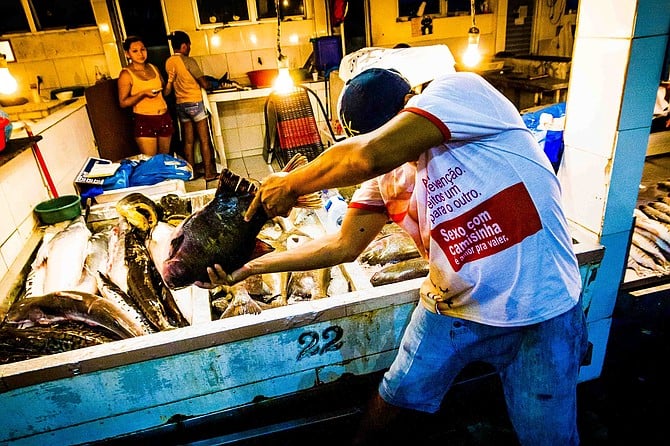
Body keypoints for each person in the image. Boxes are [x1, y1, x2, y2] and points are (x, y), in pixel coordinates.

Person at [197, 68, 588, 445]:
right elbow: (341, 245)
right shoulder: (387, 176)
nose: (395, 152)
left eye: (387, 132)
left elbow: (369, 155)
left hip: (543, 307)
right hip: (454, 308)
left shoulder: (461, 93)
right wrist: (248, 267)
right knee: (396, 395)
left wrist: (291, 183)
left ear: (408, 106)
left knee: (548, 437)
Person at [165, 30, 218, 182]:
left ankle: (191, 173)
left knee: (188, 141)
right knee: (204, 139)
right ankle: (209, 173)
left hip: (181, 105)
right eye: (188, 45)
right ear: (183, 46)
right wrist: (211, 84)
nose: (189, 48)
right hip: (195, 102)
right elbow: (204, 83)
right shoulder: (189, 61)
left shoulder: (168, 62)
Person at [118, 35, 174, 156]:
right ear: (128, 54)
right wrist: (142, 94)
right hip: (145, 120)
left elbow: (164, 93)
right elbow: (123, 102)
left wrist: (170, 82)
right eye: (135, 51)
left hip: (164, 117)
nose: (140, 54)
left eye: (143, 49)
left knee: (164, 159)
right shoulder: (126, 74)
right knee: (151, 162)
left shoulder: (154, 68)